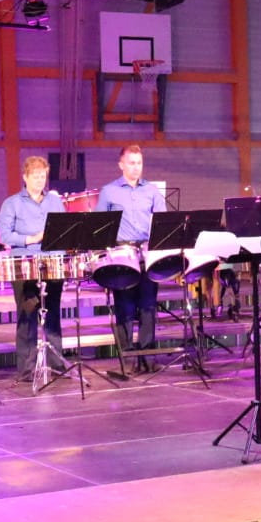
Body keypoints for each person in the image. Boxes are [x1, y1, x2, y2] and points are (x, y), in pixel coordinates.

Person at [0, 157, 67, 382]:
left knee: (53, 314)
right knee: (27, 316)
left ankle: (57, 365)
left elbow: (64, 230)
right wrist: (32, 238)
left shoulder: (55, 202)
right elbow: (5, 235)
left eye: (42, 176)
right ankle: (27, 370)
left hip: (51, 263)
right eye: (35, 176)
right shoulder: (11, 203)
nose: (39, 180)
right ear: (25, 177)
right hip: (23, 265)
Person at [97, 144, 166, 372]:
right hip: (122, 256)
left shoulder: (152, 191)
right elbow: (100, 226)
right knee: (124, 308)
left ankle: (148, 359)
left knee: (148, 306)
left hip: (146, 253)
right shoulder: (109, 191)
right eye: (131, 163)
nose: (136, 167)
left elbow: (163, 222)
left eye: (139, 163)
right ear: (121, 165)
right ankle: (126, 360)